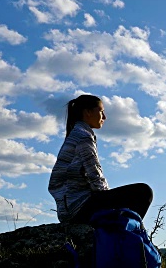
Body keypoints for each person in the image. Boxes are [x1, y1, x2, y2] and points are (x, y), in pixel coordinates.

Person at [48, 94, 153, 224]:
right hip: (79, 208)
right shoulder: (83, 136)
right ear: (88, 112)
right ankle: (123, 233)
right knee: (143, 192)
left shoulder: (76, 134)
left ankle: (119, 229)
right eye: (101, 111)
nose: (104, 117)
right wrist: (108, 198)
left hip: (70, 209)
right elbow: (94, 175)